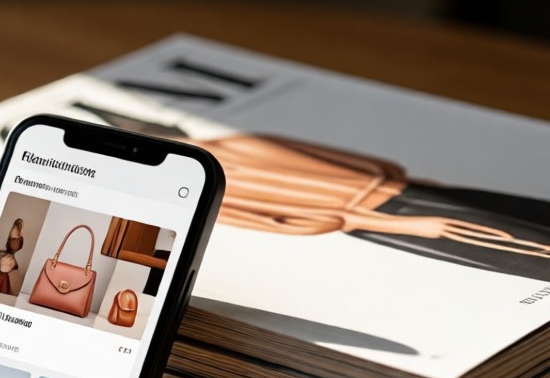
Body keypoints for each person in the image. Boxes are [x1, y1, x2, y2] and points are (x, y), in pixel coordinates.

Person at [197, 134, 550, 278]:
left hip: (403, 197)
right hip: (387, 217)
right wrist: (389, 223)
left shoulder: (239, 140)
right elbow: (279, 222)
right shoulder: (203, 182)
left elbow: (362, 162)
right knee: (531, 257)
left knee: (530, 215)